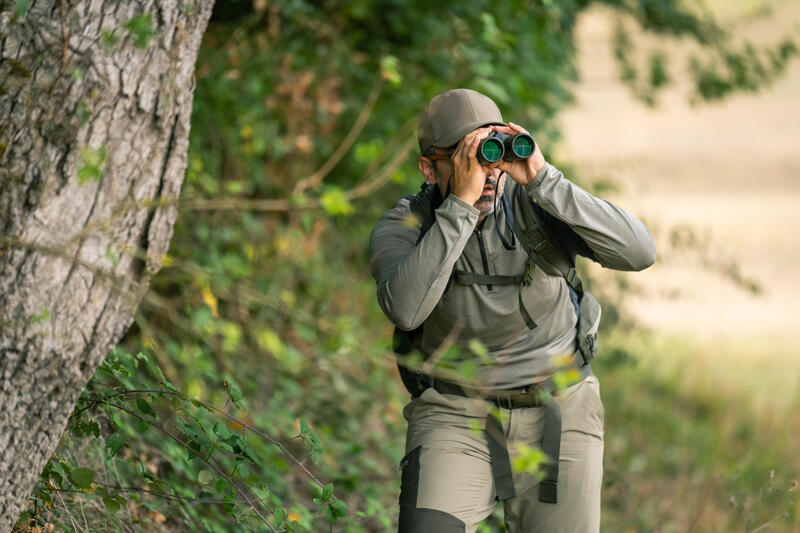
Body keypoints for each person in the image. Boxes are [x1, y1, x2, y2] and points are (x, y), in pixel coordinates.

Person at [368, 88, 656, 533]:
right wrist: (460, 209)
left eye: (490, 153)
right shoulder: (407, 225)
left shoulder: (537, 204)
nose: (485, 174)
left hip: (559, 407)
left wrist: (544, 179)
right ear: (429, 168)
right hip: (454, 411)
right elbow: (405, 311)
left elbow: (639, 252)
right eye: (466, 159)